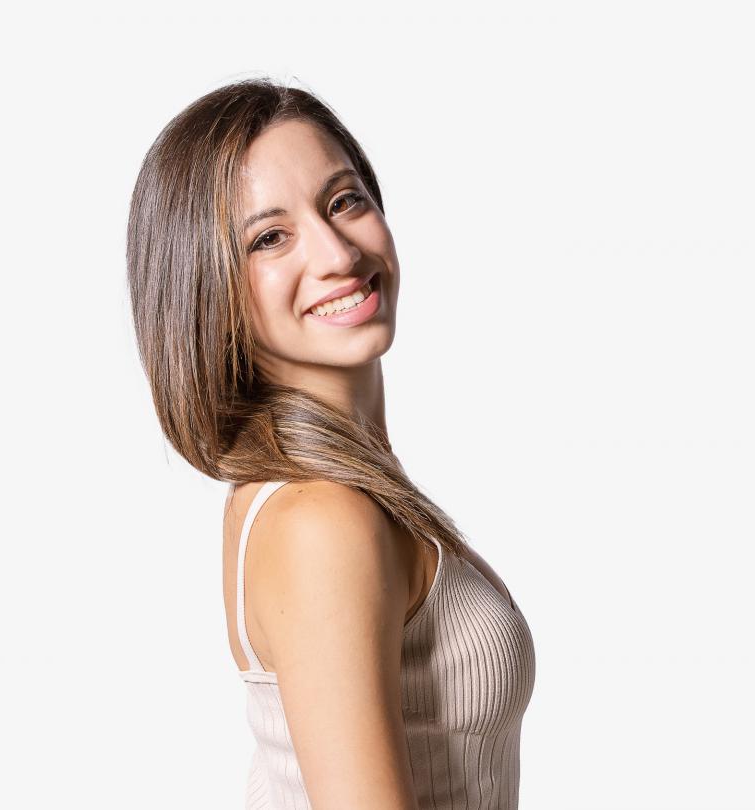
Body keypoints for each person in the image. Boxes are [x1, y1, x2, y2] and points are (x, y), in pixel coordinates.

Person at [126, 77, 535, 809]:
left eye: (344, 200)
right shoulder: (322, 517)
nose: (338, 252)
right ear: (207, 291)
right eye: (269, 237)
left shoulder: (327, 490)